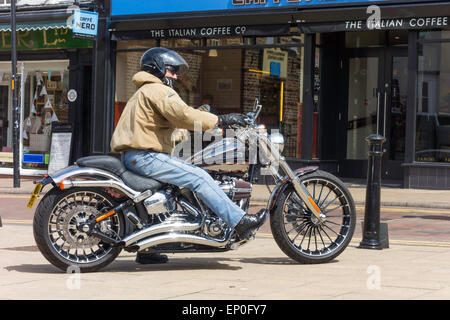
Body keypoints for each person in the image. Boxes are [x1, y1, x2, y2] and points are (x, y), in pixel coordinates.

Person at [110, 47, 267, 264]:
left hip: (138, 155)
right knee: (199, 177)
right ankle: (239, 221)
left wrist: (201, 119)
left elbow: (173, 127)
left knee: (175, 186)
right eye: (172, 71)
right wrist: (220, 120)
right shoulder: (157, 90)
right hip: (145, 156)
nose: (175, 76)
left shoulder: (143, 92)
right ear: (159, 69)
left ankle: (149, 248)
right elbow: (183, 115)